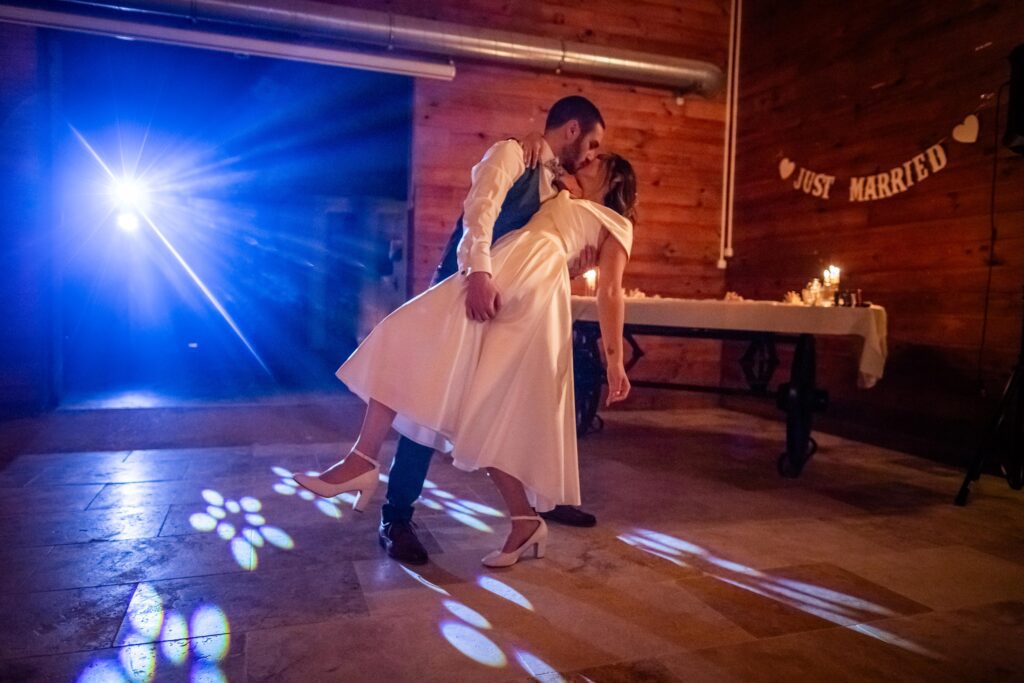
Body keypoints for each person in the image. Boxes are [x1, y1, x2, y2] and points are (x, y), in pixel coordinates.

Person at [294, 150, 636, 567]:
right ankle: (523, 520)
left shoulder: (617, 225)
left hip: (528, 294)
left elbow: (611, 291)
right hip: (502, 274)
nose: (589, 156)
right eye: (590, 146)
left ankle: (362, 461)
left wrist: (614, 359)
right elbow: (538, 181)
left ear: (615, 182)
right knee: (443, 376)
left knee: (466, 391)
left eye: (598, 158)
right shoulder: (560, 189)